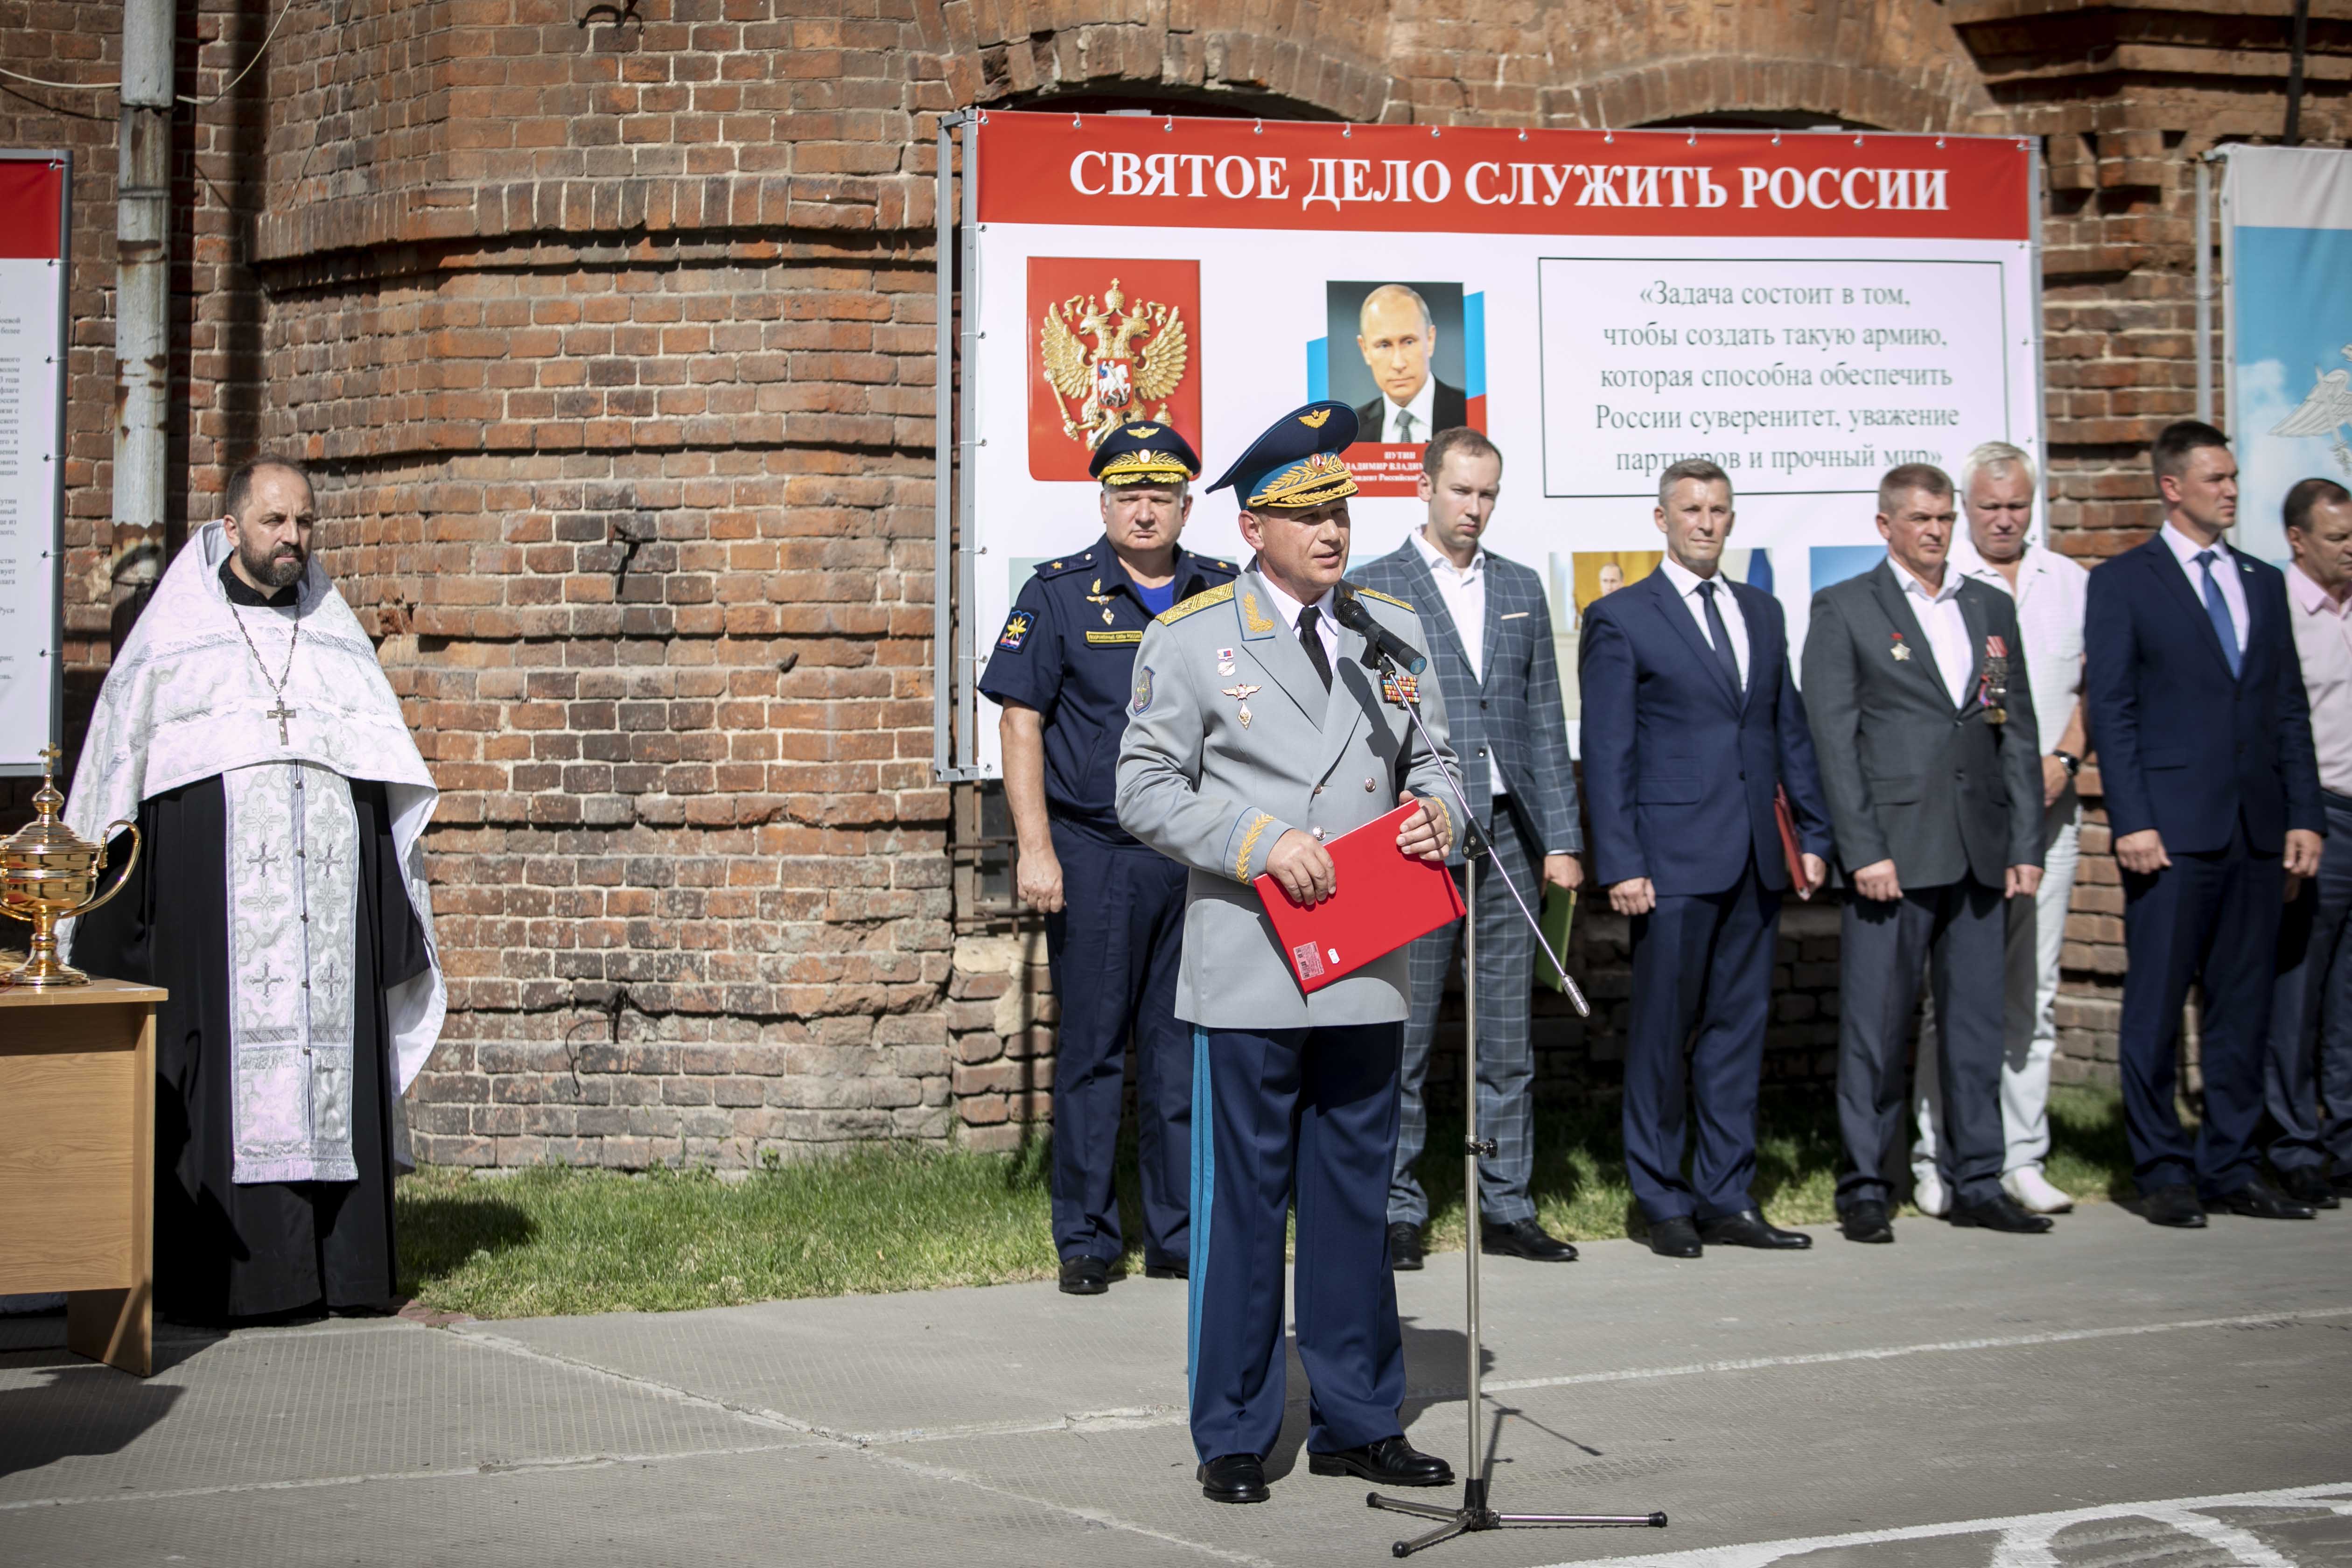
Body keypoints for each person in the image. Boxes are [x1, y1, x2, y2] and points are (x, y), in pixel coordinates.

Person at [1118, 400, 1460, 1506]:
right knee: (1243, 1210)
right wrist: (1258, 841)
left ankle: (1359, 1417)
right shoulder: (1194, 640)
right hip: (1256, 960)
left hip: (1364, 958)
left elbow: (1442, 761)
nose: (1332, 532)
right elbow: (1143, 790)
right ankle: (1233, 1427)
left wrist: (1440, 815)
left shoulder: (1390, 636)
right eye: (1306, 515)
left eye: (1342, 510)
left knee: (1359, 1203)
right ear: (1254, 525)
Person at [61, 456, 443, 1323]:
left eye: (305, 524)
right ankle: (237, 1284)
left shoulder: (336, 634)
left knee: (329, 1071)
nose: (293, 541)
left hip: (327, 911)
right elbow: (119, 774)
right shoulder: (172, 639)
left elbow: (379, 771)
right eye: (275, 523)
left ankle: (342, 1276)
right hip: (217, 911)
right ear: (231, 528)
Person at [978, 424, 1238, 1295]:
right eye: (1128, 495)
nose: (1144, 510)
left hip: (1198, 855)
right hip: (1096, 853)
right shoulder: (1058, 594)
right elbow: (1021, 722)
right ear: (1103, 504)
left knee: (1182, 1050)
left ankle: (1176, 1231)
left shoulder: (1222, 591)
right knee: (1093, 1050)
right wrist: (1037, 850)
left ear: (1185, 507)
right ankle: (1087, 1236)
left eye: (1161, 496)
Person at [1581, 459, 1832, 1259]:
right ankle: (1663, 1201)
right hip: (1671, 859)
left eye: (1718, 510)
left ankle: (1726, 1195)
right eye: (1690, 510)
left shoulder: (1761, 610)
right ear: (1661, 519)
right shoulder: (1622, 616)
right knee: (1662, 1036)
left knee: (1735, 1033)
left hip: (1756, 857)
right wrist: (1619, 862)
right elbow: (1609, 748)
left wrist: (1816, 836)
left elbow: (1785, 727)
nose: (1705, 523)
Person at [1352, 428, 1583, 1270]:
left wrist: (1563, 841)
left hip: (1510, 840)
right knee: (1404, 1037)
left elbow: (1546, 722)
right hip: (1415, 837)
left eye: (1487, 495)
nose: (1474, 510)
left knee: (1506, 1037)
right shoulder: (1373, 585)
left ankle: (1509, 1203)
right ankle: (1395, 1207)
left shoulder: (1520, 587)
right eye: (1461, 492)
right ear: (1425, 487)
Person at [2087, 420, 2326, 1227]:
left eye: (2233, 477)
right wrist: (2133, 819)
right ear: (2172, 487)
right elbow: (2112, 710)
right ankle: (2160, 1168)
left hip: (2257, 830)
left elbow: (2286, 708)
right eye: (2215, 478)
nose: (2230, 490)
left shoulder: (2262, 582)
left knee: (2242, 1005)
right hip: (2171, 833)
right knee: (2156, 1005)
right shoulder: (2124, 583)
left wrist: (2304, 814)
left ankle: (2230, 1162)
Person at [1802, 462, 2049, 1244]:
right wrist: (1862, 848)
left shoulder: (1988, 605)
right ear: (1886, 526)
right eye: (1920, 519)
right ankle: (1868, 1185)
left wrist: (2024, 841)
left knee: (1977, 1026)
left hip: (1980, 848)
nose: (1936, 532)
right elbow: (1833, 744)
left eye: (1945, 518)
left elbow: (2014, 727)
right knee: (1875, 1030)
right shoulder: (1845, 608)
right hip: (1894, 856)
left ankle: (1977, 1177)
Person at [1910, 442, 2092, 1219]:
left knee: (2035, 991)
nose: (2004, 519)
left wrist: (2065, 757)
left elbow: (2094, 686)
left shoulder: (2072, 584)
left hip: (2052, 814)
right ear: (1965, 507)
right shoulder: (1949, 586)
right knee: (1944, 995)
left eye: (2016, 505)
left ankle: (2023, 1156)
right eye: (1988, 507)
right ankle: (1935, 1153)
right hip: (1968, 825)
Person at [2268, 476, 2352, 1208]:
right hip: (2318, 812)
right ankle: (2293, 1142)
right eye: (2338, 538)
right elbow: (2281, 729)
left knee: (2350, 995)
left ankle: (2346, 1140)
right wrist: (2298, 817)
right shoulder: (2282, 613)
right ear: (2299, 540)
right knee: (2299, 985)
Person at [1352, 285, 1468, 443]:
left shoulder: (1471, 414)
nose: (1398, 364)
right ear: (1365, 350)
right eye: (1384, 345)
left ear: (1430, 340)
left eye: (1408, 342)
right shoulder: (1349, 433)